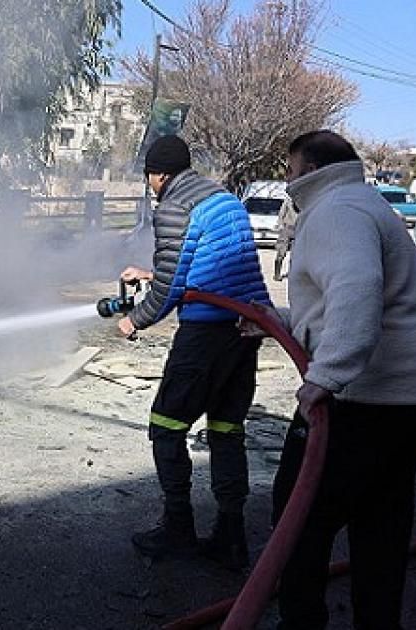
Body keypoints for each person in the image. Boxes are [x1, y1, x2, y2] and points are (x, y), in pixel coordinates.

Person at [264, 130, 416, 629]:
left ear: (311, 169)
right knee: (380, 515)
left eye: (289, 169)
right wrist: (281, 321)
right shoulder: (363, 202)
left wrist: (328, 374)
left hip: (372, 397)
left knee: (299, 517)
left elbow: (357, 288)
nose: (287, 180)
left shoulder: (335, 210)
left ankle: (301, 623)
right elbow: (343, 301)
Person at [119, 135, 271, 569]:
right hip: (245, 328)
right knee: (226, 428)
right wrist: (150, 273)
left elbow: (171, 286)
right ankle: (230, 534)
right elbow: (204, 264)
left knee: (166, 425)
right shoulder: (223, 198)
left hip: (207, 334)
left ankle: (178, 529)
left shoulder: (172, 206)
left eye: (148, 176)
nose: (149, 185)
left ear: (159, 174)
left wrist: (135, 319)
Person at [273, 196, 298, 281]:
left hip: (299, 228)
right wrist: (280, 224)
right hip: (287, 228)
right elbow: (282, 213)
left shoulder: (305, 200)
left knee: (296, 254)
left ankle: (292, 274)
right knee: (281, 252)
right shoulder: (288, 200)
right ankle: (277, 274)